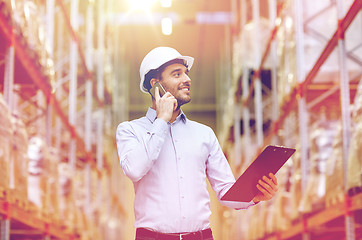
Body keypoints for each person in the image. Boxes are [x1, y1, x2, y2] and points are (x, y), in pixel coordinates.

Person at [116, 47, 278, 240]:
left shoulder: (204, 134)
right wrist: (162, 120)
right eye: (177, 74)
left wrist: (254, 195)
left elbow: (226, 190)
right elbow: (134, 170)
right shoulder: (130, 130)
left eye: (186, 73)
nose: (187, 79)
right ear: (155, 85)